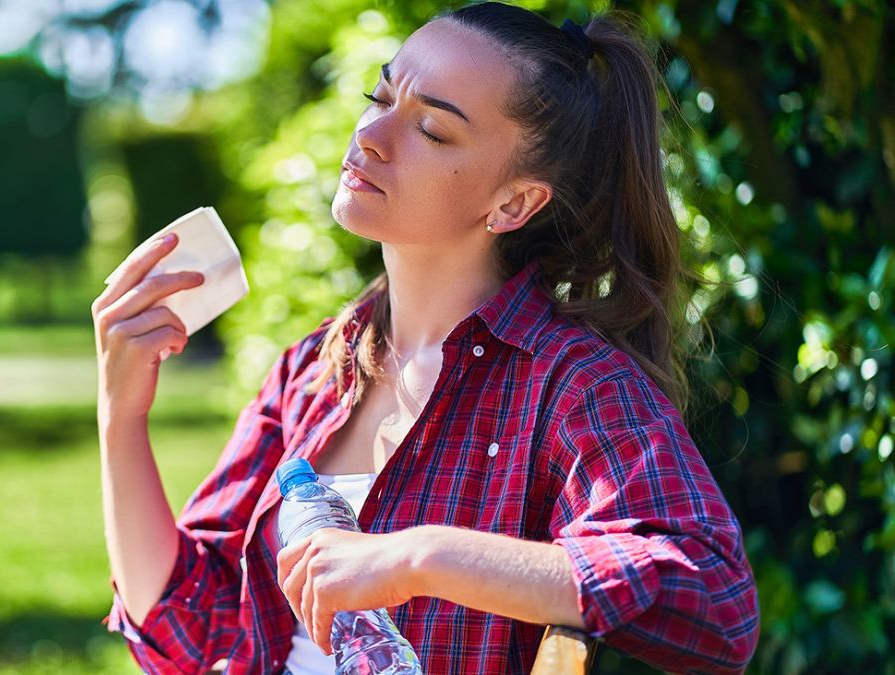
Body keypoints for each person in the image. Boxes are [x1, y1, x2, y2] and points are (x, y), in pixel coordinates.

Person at [92, 2, 760, 673]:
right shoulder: (313, 369)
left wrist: (417, 557)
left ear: (513, 203)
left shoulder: (571, 383)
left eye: (433, 130)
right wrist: (121, 417)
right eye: (378, 96)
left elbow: (715, 599)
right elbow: (197, 631)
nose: (373, 134)